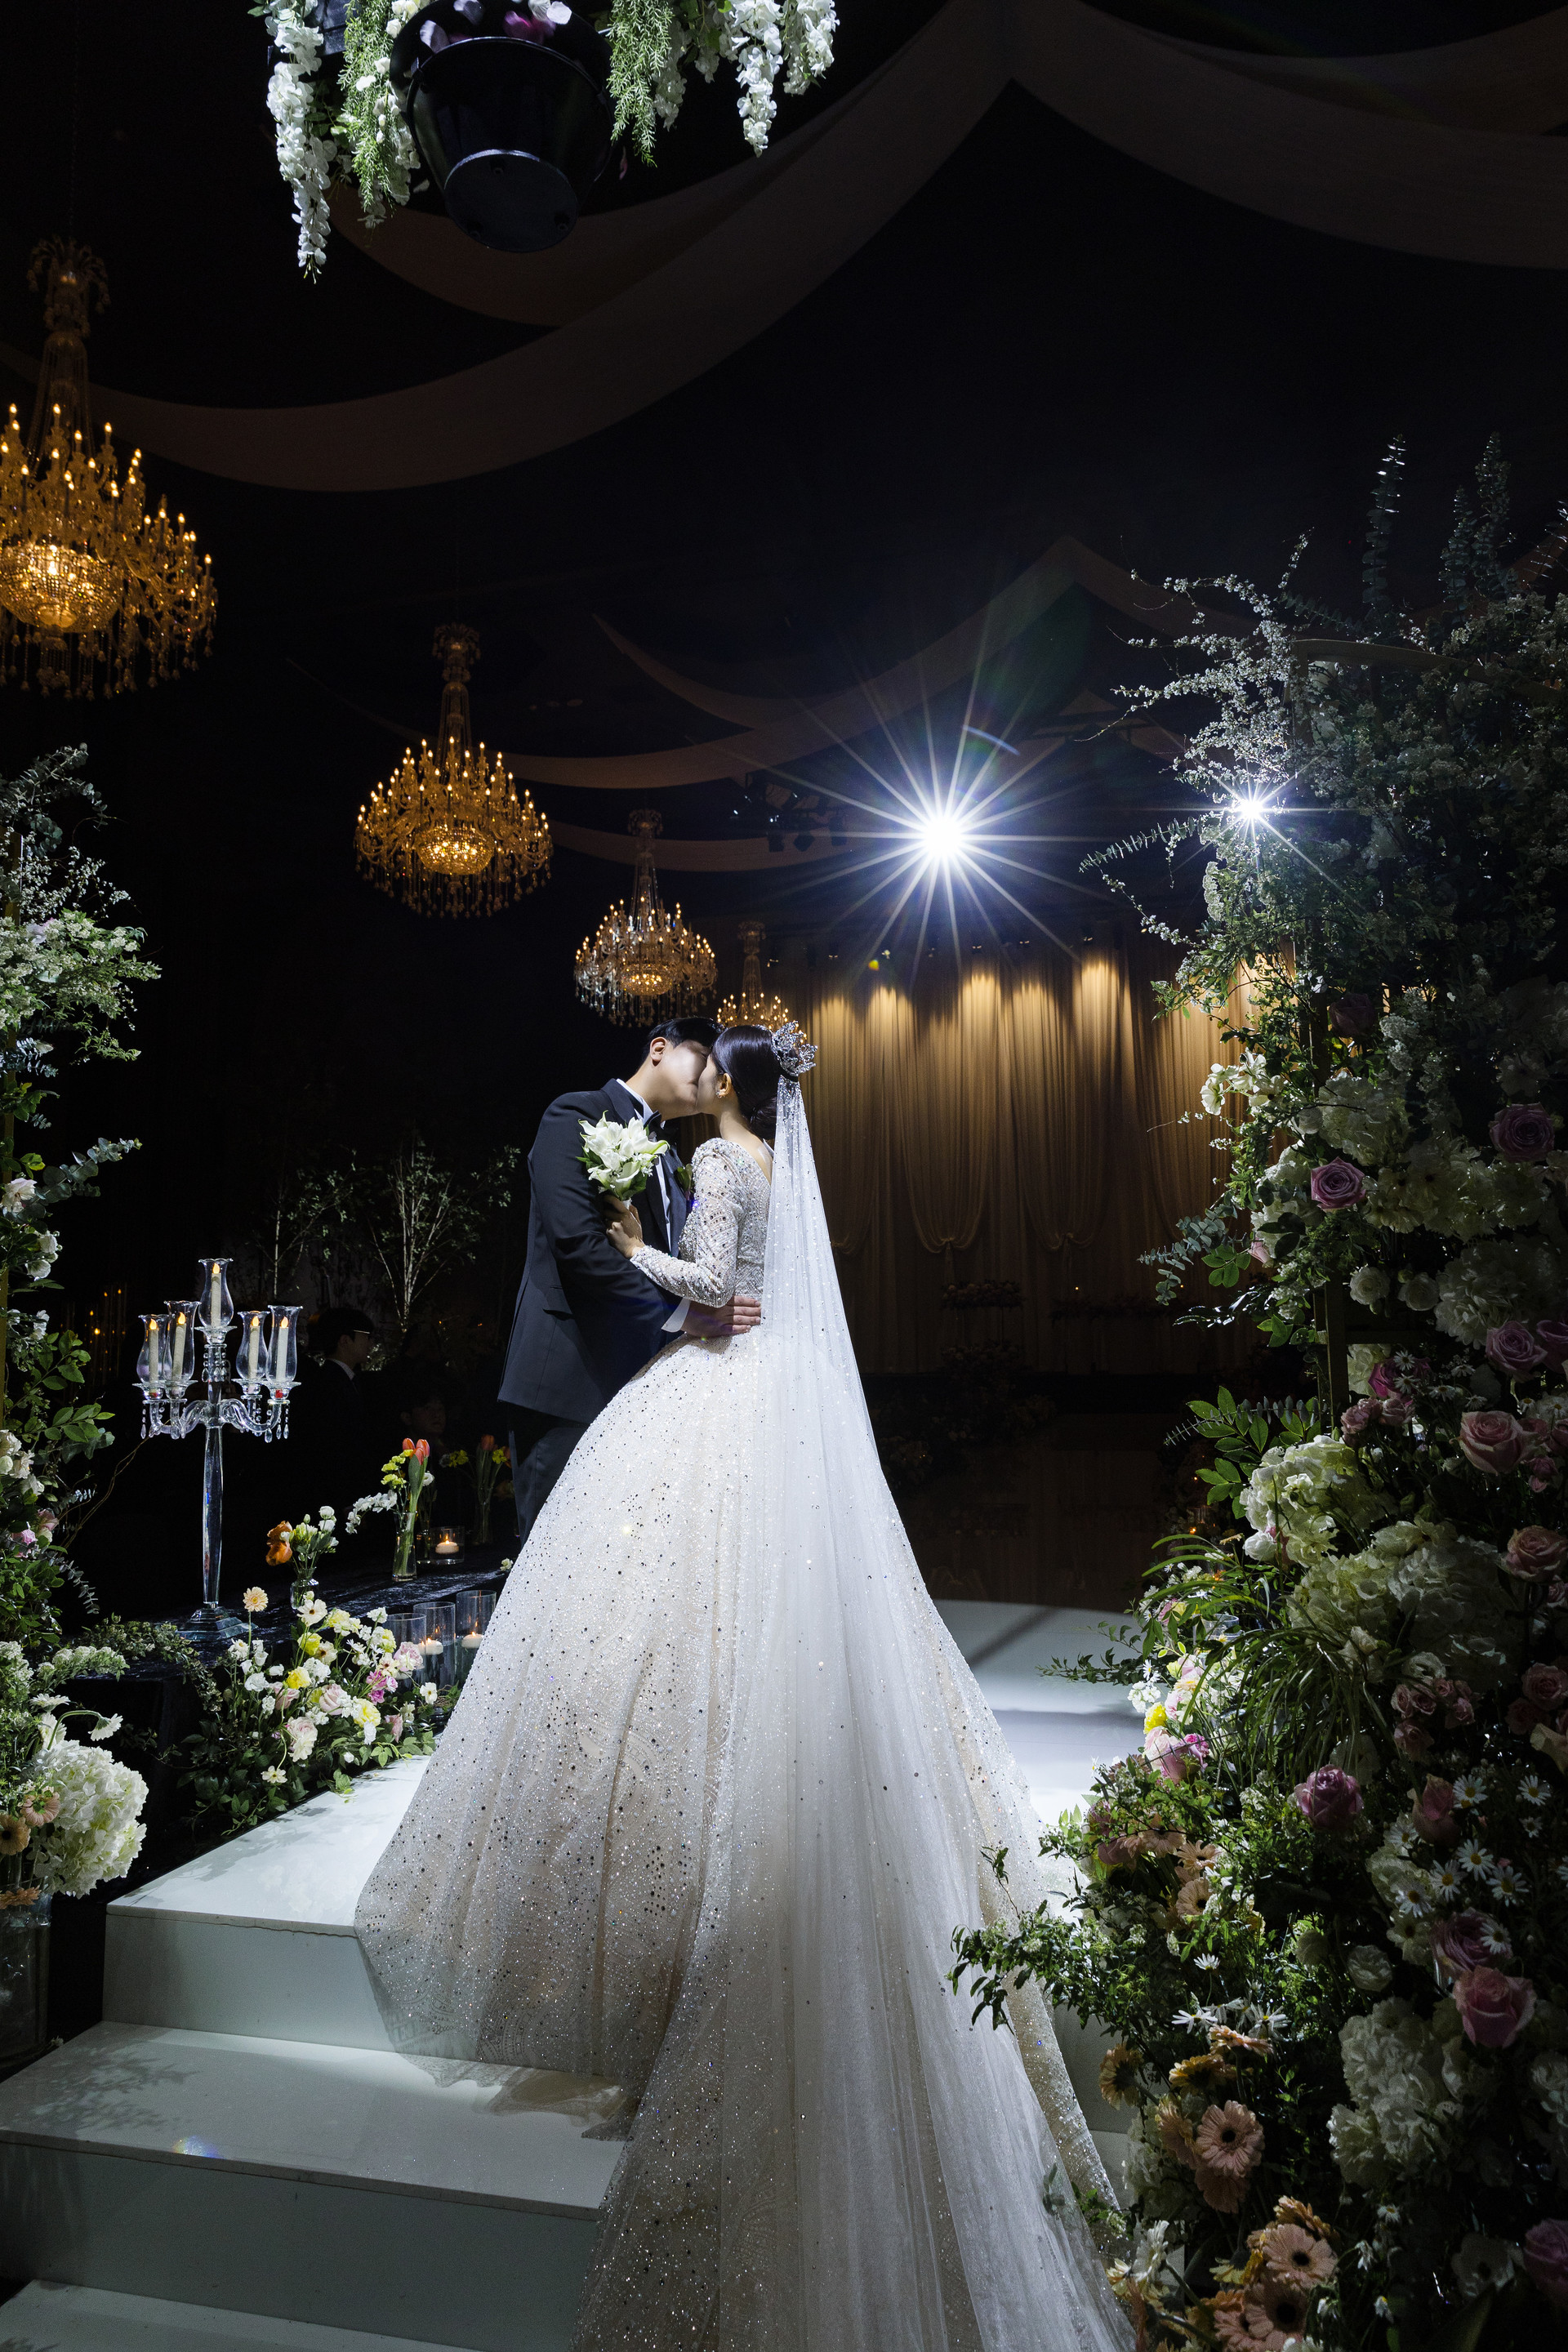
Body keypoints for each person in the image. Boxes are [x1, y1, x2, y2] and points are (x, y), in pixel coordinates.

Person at [358, 1025, 1126, 2352]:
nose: (701, 1077)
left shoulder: (715, 1164)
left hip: (710, 1379)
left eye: (714, 1064)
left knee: (649, 1615)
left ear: (726, 1080)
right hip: (754, 1390)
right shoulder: (749, 1153)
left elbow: (708, 1282)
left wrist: (636, 1243)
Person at [496, 1014, 760, 1544]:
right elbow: (578, 1246)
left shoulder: (671, 1156)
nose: (712, 1071)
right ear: (660, 1048)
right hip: (569, 1381)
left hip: (641, 1390)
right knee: (552, 1557)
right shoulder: (576, 1114)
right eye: (704, 1055)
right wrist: (684, 1316)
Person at [287, 1304, 381, 1533]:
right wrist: (347, 1502)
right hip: (336, 1500)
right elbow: (332, 1447)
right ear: (345, 1340)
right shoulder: (327, 1385)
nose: (370, 1343)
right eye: (366, 1336)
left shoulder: (348, 1381)